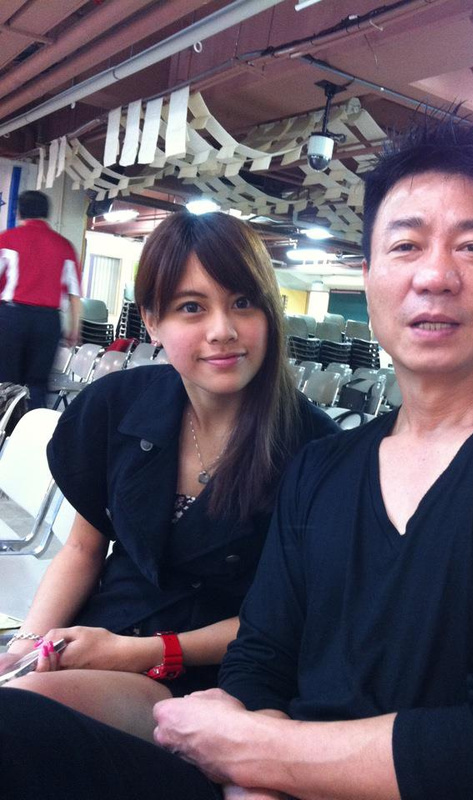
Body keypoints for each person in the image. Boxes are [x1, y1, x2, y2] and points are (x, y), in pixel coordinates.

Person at [1, 113, 473, 800]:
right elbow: (262, 657)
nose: (435, 274)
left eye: (472, 246)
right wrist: (249, 762)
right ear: (368, 276)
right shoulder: (326, 469)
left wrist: (263, 755)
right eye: (406, 245)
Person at [0, 210, 338, 742]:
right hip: (100, 639)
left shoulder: (316, 449)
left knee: (22, 720)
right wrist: (27, 645)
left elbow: (291, 619)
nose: (223, 331)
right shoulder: (116, 406)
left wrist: (141, 652)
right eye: (191, 307)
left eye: (243, 303)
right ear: (153, 321)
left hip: (216, 676)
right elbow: (83, 549)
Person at [0, 190, 82, 409]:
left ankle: (4, 426)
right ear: (46, 213)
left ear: (19, 212)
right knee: (37, 384)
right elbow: (74, 294)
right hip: (48, 322)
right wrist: (74, 328)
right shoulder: (65, 246)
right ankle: (32, 425)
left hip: (11, 318)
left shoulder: (7, 239)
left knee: (5, 381)